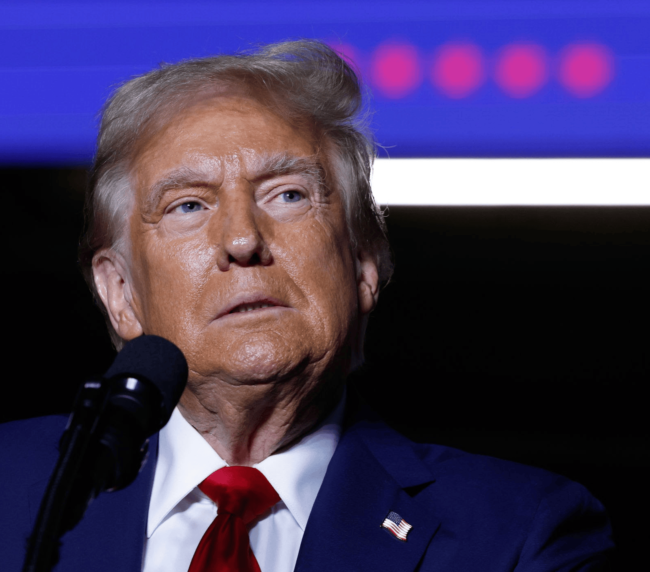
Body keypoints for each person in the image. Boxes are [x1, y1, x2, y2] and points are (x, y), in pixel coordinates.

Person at [0, 40, 614, 571]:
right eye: (188, 205)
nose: (242, 240)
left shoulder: (519, 535)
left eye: (288, 194)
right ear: (120, 294)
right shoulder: (9, 488)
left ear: (364, 266)